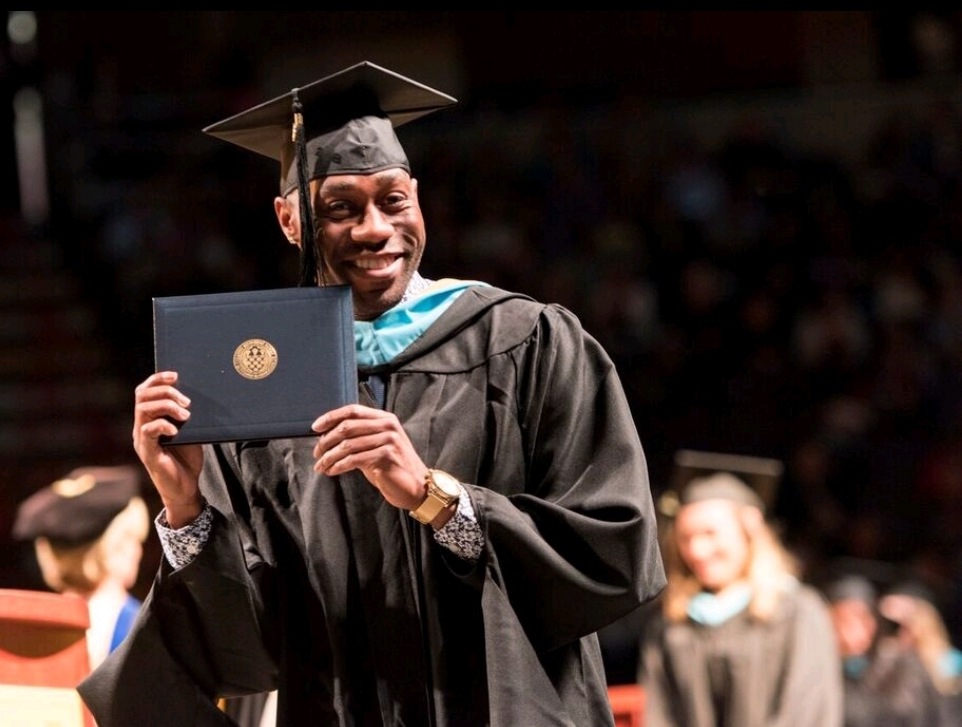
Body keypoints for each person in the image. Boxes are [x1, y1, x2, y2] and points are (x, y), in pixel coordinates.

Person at [76, 60, 666, 726]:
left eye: (393, 200)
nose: (375, 229)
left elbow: (613, 549)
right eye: (341, 209)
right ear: (289, 220)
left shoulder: (525, 342)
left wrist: (435, 497)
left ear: (418, 200)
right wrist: (185, 506)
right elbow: (247, 646)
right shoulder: (256, 393)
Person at [638, 451, 844, 727]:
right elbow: (657, 714)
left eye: (710, 533)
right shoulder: (671, 623)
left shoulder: (798, 611)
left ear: (748, 531)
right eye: (686, 537)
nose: (697, 550)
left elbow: (807, 711)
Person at [12, 464, 151, 670]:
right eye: (134, 539)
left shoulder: (26, 632)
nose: (138, 551)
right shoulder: (146, 632)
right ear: (117, 547)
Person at [824, 571, 946, 727]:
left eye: (865, 617)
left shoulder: (902, 668)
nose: (857, 629)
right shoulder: (825, 666)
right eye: (845, 619)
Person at [878, 578, 962, 724]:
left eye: (906, 624)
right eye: (895, 625)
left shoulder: (950, 661)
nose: (901, 632)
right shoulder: (887, 657)